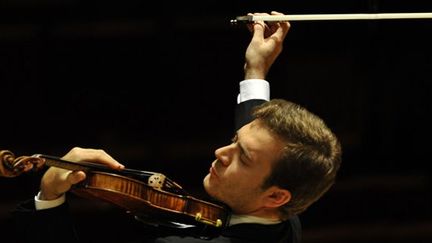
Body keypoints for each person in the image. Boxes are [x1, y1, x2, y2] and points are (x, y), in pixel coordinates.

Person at [12, 11, 342, 243]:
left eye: (242, 157)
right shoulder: (284, 217)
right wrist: (255, 69)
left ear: (275, 195)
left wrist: (48, 201)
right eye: (233, 140)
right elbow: (257, 134)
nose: (220, 153)